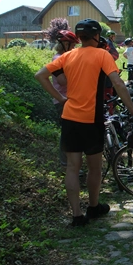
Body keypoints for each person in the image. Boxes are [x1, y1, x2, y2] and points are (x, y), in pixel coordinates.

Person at [35, 19, 133, 226]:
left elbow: (40, 75)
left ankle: (76, 215)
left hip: (69, 118)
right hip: (91, 119)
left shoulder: (67, 56)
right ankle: (93, 207)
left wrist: (60, 98)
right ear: (96, 36)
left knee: (73, 168)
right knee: (95, 167)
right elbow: (118, 83)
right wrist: (132, 109)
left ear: (80, 37)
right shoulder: (102, 54)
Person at [51, 30, 79, 167]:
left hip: (70, 99)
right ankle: (65, 163)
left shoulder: (65, 58)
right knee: (67, 133)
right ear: (65, 44)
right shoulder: (57, 59)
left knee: (73, 132)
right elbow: (62, 80)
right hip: (62, 100)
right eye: (72, 45)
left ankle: (72, 162)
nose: (74, 48)